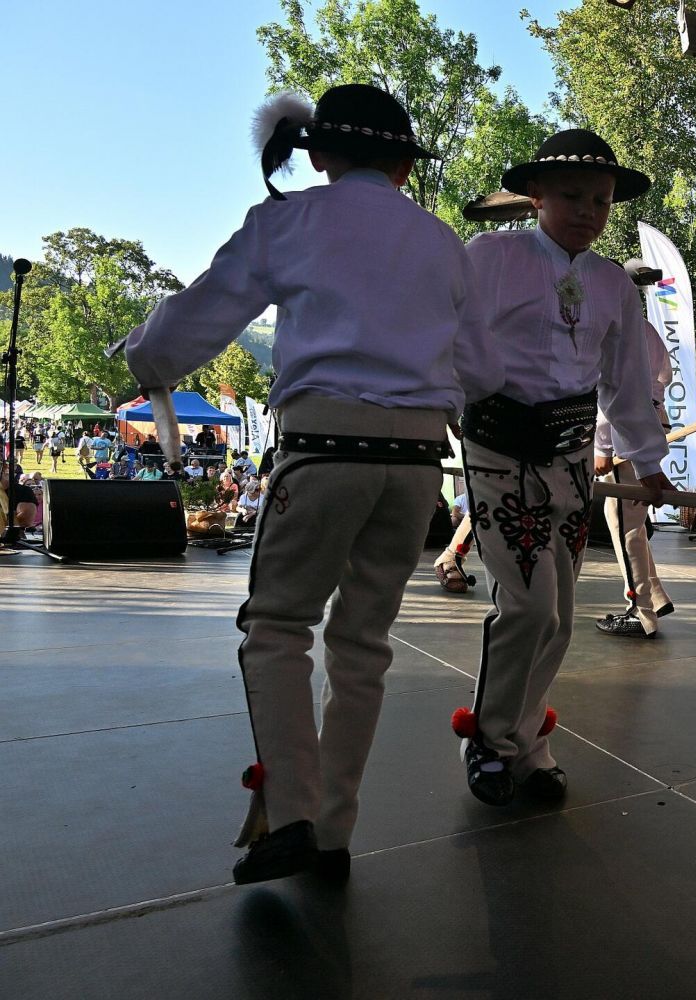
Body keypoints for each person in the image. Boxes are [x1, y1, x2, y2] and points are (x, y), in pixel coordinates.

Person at [124, 84, 501, 885]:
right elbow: (480, 369)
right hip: (415, 467)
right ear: (405, 166)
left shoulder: (288, 221)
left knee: (277, 626)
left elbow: (197, 318)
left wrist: (145, 355)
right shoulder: (443, 244)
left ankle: (293, 813)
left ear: (319, 153)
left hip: (323, 448)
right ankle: (332, 830)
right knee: (363, 643)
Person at [454, 128, 669, 808]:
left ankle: (527, 741)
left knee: (560, 617)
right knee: (526, 605)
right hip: (499, 447)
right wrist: (444, 407)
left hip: (573, 458)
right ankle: (490, 741)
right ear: (536, 195)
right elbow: (446, 337)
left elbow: (627, 382)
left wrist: (649, 461)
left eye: (601, 200)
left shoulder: (612, 284)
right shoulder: (491, 256)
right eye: (572, 195)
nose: (588, 211)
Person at [595, 259, 677, 640]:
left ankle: (640, 610)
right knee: (633, 518)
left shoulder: (613, 328)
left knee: (623, 520)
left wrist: (602, 443)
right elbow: (661, 379)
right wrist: (654, 407)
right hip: (647, 422)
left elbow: (612, 391)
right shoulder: (646, 329)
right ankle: (653, 595)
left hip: (624, 432)